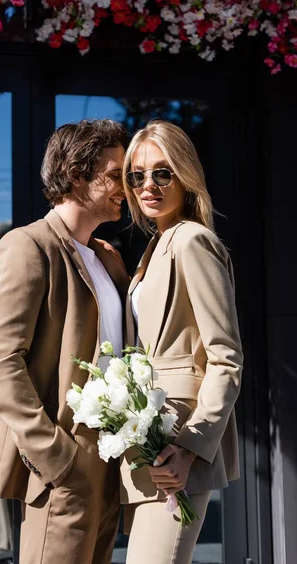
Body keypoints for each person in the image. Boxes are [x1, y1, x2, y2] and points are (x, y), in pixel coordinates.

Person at [0, 119, 130, 564]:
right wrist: (56, 456)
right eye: (115, 173)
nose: (128, 186)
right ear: (77, 174)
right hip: (66, 457)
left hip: (112, 455)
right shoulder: (27, 246)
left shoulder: (107, 255)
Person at [121, 120, 243, 564]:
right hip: (150, 441)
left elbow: (226, 357)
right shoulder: (156, 245)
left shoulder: (192, 240)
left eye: (162, 172)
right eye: (136, 175)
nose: (147, 185)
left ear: (185, 173)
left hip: (178, 444)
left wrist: (190, 448)